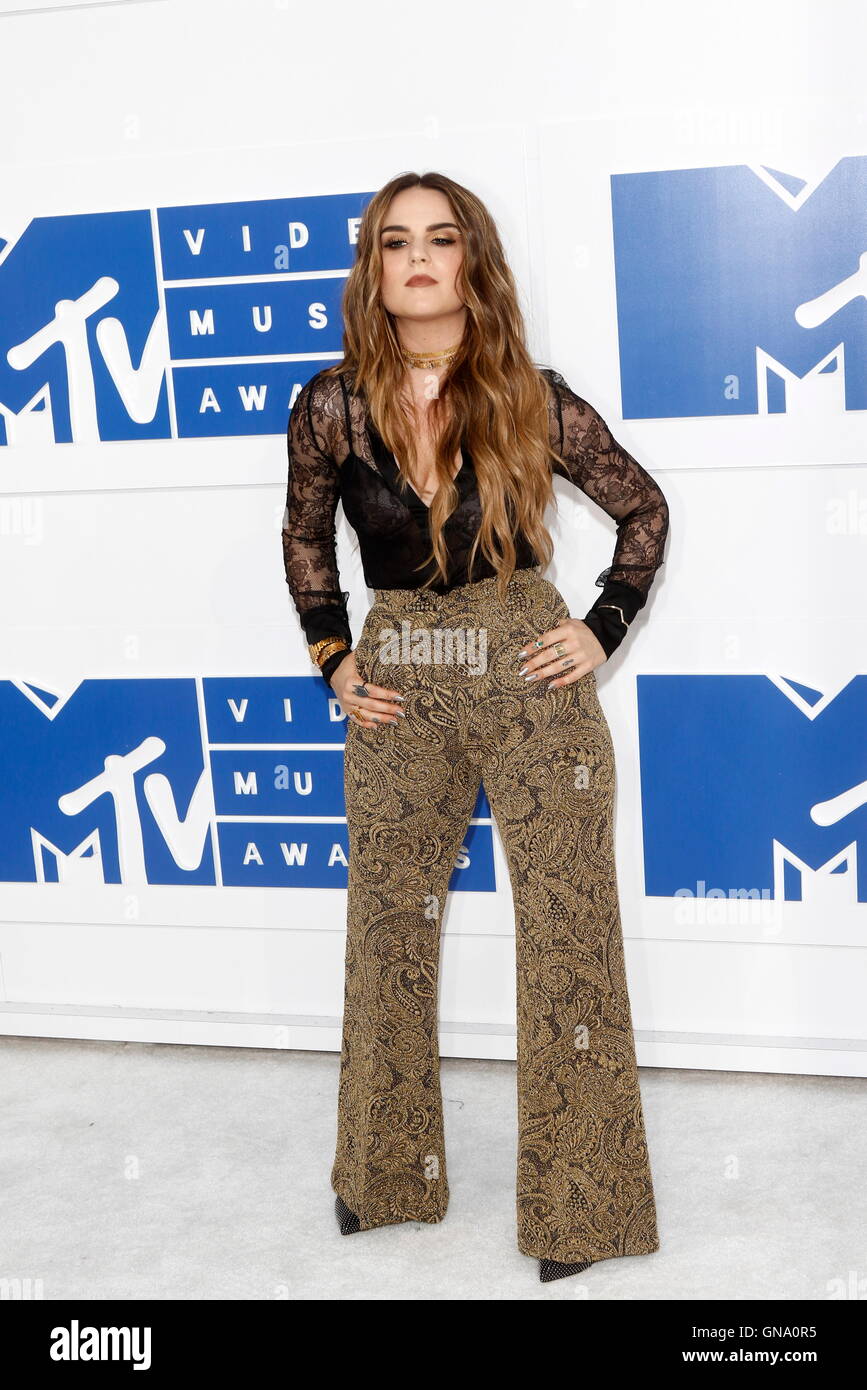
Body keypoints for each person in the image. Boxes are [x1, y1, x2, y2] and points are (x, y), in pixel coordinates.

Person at [282, 170, 669, 1283]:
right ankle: (387, 1173)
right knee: (388, 931)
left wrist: (603, 625)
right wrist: (334, 655)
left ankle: (583, 1209)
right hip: (399, 669)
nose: (416, 258)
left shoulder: (530, 396)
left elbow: (643, 508)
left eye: (439, 239)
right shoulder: (329, 406)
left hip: (527, 662)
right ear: (374, 271)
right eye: (394, 242)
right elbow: (305, 537)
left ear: (470, 261)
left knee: (568, 934)